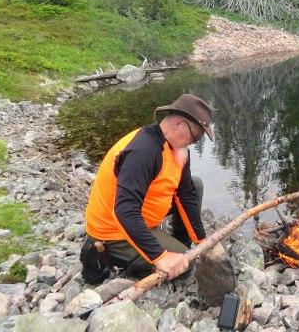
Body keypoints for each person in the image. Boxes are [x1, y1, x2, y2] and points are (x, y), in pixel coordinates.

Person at [81, 94, 213, 283]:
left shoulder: (177, 149)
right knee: (185, 265)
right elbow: (124, 210)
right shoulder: (144, 151)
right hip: (112, 230)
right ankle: (105, 257)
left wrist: (203, 241)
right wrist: (160, 256)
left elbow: (185, 195)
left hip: (138, 215)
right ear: (179, 124)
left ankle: (176, 245)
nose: (194, 143)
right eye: (196, 136)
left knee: (195, 184)